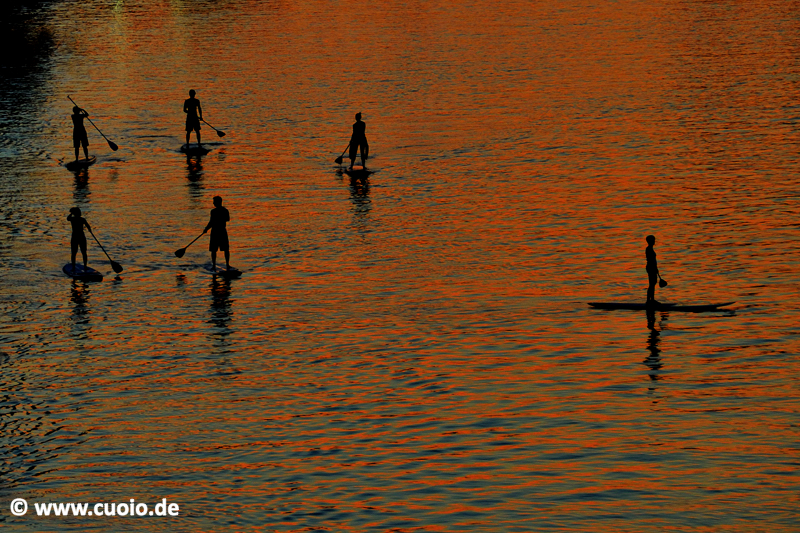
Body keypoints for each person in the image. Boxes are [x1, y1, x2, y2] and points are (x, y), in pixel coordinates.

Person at [204, 196, 230, 271]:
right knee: (214, 250)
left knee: (225, 249)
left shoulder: (221, 211)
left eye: (214, 202)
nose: (213, 203)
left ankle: (226, 265)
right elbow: (211, 222)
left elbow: (227, 219)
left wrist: (217, 219)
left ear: (218, 202)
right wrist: (206, 229)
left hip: (220, 231)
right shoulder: (217, 211)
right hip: (216, 231)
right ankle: (215, 265)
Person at [645, 235, 660, 305]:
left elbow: (653, 260)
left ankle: (652, 300)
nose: (654, 241)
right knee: (651, 284)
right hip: (651, 268)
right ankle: (648, 301)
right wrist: (654, 268)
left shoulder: (651, 248)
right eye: (653, 240)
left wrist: (656, 268)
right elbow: (650, 260)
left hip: (653, 267)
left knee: (653, 283)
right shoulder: (648, 249)